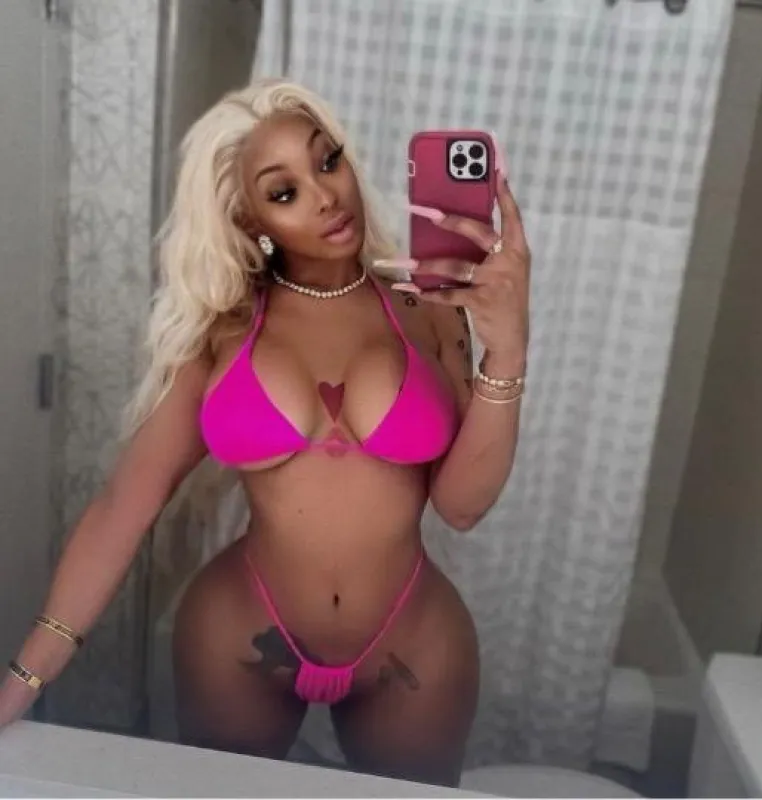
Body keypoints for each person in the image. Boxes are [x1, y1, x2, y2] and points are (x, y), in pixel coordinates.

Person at [0, 79, 531, 786]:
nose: (325, 196)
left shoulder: (427, 309)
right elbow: (125, 505)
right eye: (283, 192)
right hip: (242, 636)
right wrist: (25, 676)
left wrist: (508, 351)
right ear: (248, 218)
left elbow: (462, 506)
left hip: (410, 641)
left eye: (327, 160)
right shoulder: (222, 331)